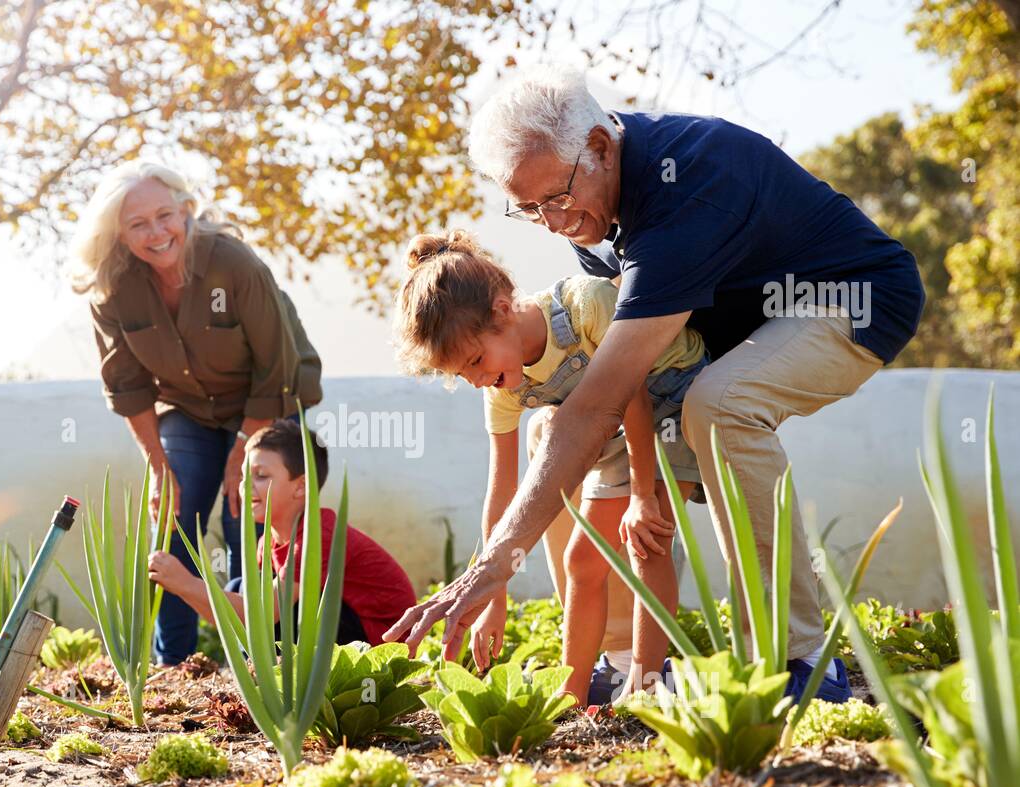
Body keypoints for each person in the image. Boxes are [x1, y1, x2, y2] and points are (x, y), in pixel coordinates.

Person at [386, 65, 925, 705]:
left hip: (856, 298)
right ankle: (621, 659)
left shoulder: (688, 187)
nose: (552, 224)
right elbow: (597, 400)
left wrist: (495, 563)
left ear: (600, 146)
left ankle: (797, 656)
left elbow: (599, 402)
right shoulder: (593, 222)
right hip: (739, 330)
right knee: (549, 428)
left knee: (721, 403)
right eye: (528, 210)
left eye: (555, 199)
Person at [394, 229, 708, 703]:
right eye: (465, 375)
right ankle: (571, 695)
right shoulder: (502, 388)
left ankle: (643, 687)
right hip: (612, 425)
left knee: (648, 543)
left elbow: (635, 399)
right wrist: (491, 599)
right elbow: (500, 493)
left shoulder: (585, 306)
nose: (480, 380)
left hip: (671, 401)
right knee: (581, 561)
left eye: (477, 360)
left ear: (503, 310)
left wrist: (642, 497)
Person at [70, 160, 323, 665]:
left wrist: (239, 460)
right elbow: (128, 386)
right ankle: (175, 666)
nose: (157, 233)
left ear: (186, 210)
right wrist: (158, 467)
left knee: (245, 518)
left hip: (267, 402)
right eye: (137, 224)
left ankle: (254, 663)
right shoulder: (112, 286)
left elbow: (277, 369)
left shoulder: (235, 265)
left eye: (165, 216)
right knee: (172, 516)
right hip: (186, 410)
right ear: (117, 234)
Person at [148, 419, 418, 648]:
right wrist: (184, 588)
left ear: (301, 487)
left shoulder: (318, 535)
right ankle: (264, 679)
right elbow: (241, 619)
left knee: (279, 608)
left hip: (378, 646)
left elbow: (260, 616)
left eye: (261, 476)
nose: (246, 486)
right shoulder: (269, 544)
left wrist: (186, 583)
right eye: (244, 476)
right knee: (239, 588)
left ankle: (287, 682)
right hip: (344, 632)